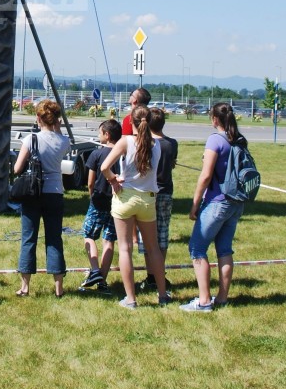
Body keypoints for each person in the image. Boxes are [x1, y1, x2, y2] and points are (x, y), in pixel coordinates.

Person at [100, 105, 171, 309]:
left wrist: (113, 180)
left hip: (125, 198)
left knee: (125, 249)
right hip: (148, 199)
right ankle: (163, 294)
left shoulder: (125, 141)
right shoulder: (156, 145)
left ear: (131, 121)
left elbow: (105, 167)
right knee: (153, 248)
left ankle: (130, 299)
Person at [181, 103, 249, 312]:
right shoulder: (239, 140)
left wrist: (195, 204)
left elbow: (206, 175)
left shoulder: (215, 140)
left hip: (217, 202)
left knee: (197, 248)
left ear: (215, 120)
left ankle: (203, 301)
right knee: (225, 250)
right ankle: (222, 297)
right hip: (235, 202)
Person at [14, 98, 70, 298]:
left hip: (33, 193)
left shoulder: (31, 140)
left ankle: (25, 287)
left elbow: (17, 168)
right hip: (55, 192)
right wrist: (59, 127)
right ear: (56, 119)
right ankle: (59, 288)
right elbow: (62, 141)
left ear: (38, 118)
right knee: (54, 238)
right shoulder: (64, 141)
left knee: (29, 238)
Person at [78, 119, 121, 295]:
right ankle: (102, 280)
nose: (98, 135)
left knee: (89, 235)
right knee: (109, 240)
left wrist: (91, 196)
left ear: (107, 135)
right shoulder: (123, 153)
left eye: (99, 132)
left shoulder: (97, 154)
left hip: (98, 200)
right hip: (117, 201)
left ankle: (95, 270)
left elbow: (90, 182)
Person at [137, 106, 178, 293]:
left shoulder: (147, 143)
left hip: (149, 192)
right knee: (162, 236)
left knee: (147, 237)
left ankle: (152, 276)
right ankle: (160, 274)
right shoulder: (172, 143)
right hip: (166, 192)